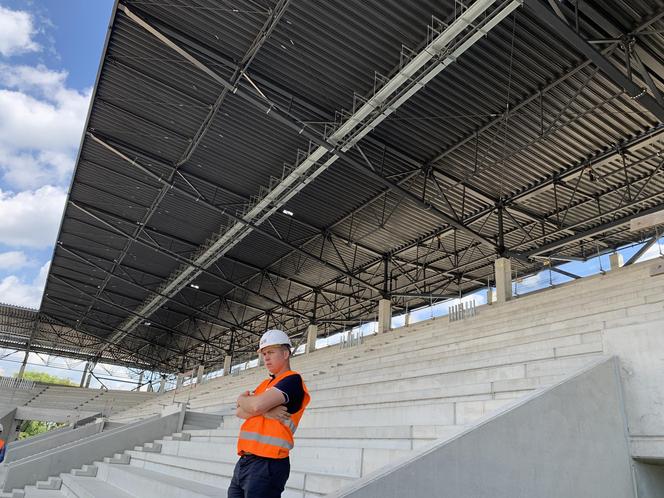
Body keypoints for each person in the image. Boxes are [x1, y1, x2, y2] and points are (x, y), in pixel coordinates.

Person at [227, 329, 310, 498]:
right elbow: (239, 412)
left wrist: (246, 401)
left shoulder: (292, 380)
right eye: (264, 353)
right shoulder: (265, 384)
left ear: (286, 353)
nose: (266, 357)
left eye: (271, 352)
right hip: (245, 461)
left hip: (268, 462)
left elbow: (255, 406)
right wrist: (265, 412)